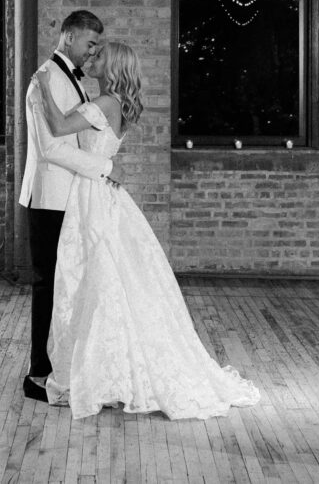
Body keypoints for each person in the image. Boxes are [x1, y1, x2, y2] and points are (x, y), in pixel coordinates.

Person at [33, 41, 260, 419]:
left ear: (114, 65)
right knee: (103, 282)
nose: (91, 59)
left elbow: (57, 127)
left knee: (96, 280)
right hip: (97, 191)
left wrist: (42, 84)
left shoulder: (105, 104)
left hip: (92, 196)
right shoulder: (112, 101)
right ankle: (108, 369)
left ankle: (103, 372)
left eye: (98, 56)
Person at [19, 10, 123, 403]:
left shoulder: (71, 81)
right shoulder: (42, 80)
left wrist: (97, 172)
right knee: (47, 285)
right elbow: (50, 146)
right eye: (89, 44)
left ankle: (66, 365)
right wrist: (102, 167)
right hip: (50, 197)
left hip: (75, 196)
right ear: (68, 37)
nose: (92, 52)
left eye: (97, 46)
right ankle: (38, 374)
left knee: (69, 286)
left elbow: (80, 136)